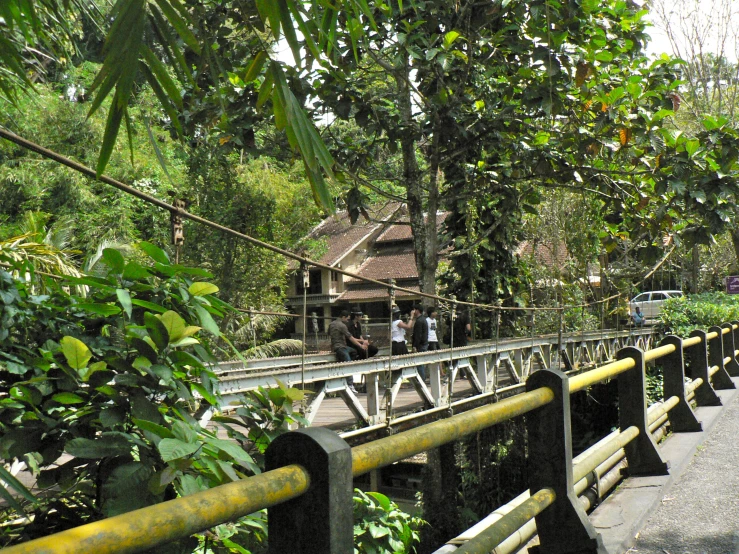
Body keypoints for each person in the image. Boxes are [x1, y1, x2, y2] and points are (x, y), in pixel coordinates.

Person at [328, 310, 367, 393]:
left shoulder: (331, 324)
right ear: (343, 317)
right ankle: (350, 384)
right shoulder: (342, 326)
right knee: (348, 364)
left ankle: (343, 361)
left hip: (338, 347)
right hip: (341, 348)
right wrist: (361, 345)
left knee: (354, 351)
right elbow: (351, 338)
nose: (347, 321)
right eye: (347, 319)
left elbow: (330, 336)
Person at [411, 305, 429, 380]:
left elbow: (418, 335)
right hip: (424, 343)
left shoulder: (419, 321)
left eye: (414, 310)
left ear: (417, 310)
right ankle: (422, 378)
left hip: (420, 345)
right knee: (421, 363)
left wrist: (415, 345)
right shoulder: (423, 319)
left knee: (419, 363)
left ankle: (421, 379)